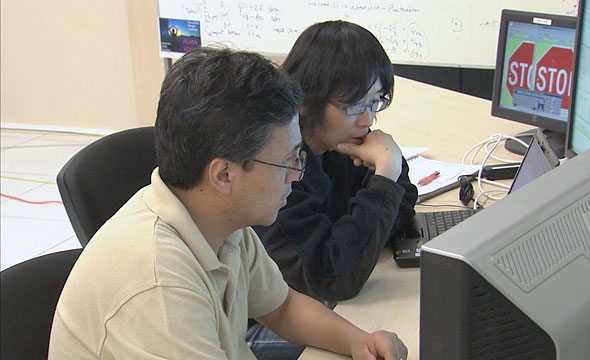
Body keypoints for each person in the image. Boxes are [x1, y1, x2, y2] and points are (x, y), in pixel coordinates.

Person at [48, 46, 407, 360]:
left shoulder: (220, 223)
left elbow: (281, 307)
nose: (297, 175)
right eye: (288, 161)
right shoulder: (159, 286)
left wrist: (359, 341)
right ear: (223, 175)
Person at [253, 20, 418, 303]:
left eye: (375, 101)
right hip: (255, 320)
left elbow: (401, 205)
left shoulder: (337, 146)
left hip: (310, 302)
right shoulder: (276, 170)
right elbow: (334, 279)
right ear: (304, 99)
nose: (367, 121)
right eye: (354, 105)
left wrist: (357, 233)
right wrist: (385, 174)